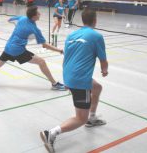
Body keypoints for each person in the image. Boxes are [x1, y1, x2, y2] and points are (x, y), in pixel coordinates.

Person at [40, 9, 109, 153]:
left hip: (69, 74)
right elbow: (103, 60)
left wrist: (67, 78)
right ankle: (51, 133)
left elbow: (66, 56)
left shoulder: (72, 35)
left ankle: (92, 118)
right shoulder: (96, 36)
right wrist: (104, 70)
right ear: (95, 20)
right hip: (80, 79)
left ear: (83, 21)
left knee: (96, 88)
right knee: (80, 118)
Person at [0, 6, 66, 91]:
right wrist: (60, 50)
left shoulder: (22, 18)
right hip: (18, 51)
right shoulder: (34, 29)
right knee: (42, 62)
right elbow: (45, 45)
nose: (40, 14)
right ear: (34, 16)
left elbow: (9, 19)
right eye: (38, 13)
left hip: (8, 47)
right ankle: (54, 84)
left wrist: (16, 26)